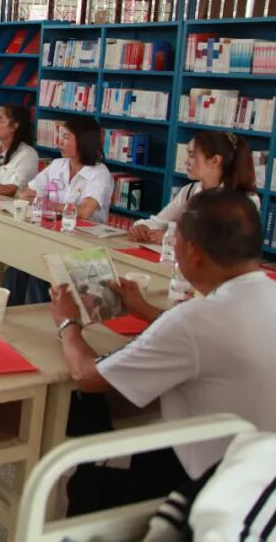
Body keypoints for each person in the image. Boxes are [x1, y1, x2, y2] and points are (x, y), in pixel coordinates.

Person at [49, 189, 276, 516]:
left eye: (174, 240)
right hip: (262, 471)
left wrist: (67, 322)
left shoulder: (195, 318)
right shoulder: (262, 293)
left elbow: (85, 375)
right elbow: (203, 338)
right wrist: (143, 308)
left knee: (86, 480)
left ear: (193, 252)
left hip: (216, 488)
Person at [4, 117, 114, 305]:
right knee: (17, 267)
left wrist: (47, 203)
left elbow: (84, 211)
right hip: (53, 236)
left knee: (41, 273)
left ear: (83, 141)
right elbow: (26, 193)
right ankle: (11, 317)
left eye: (65, 137)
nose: (59, 142)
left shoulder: (99, 173)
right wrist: (36, 198)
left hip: (83, 246)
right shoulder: (57, 166)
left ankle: (41, 318)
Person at [129, 130, 258, 242]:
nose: (186, 162)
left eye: (192, 155)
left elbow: (221, 242)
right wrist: (142, 227)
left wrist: (171, 237)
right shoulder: (189, 191)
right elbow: (159, 222)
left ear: (215, 161)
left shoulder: (246, 199)